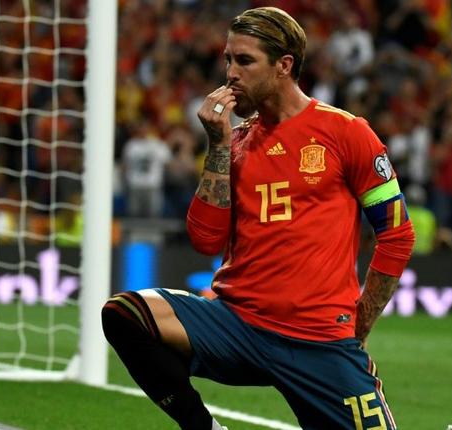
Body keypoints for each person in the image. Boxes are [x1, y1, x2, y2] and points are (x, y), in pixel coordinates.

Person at [101, 7, 414, 430]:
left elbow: (397, 234)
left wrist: (359, 326)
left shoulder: (346, 134)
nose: (230, 73)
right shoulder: (237, 142)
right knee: (125, 313)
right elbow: (205, 241)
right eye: (228, 59)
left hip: (319, 341)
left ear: (284, 66)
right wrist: (218, 145)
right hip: (237, 327)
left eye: (244, 61)